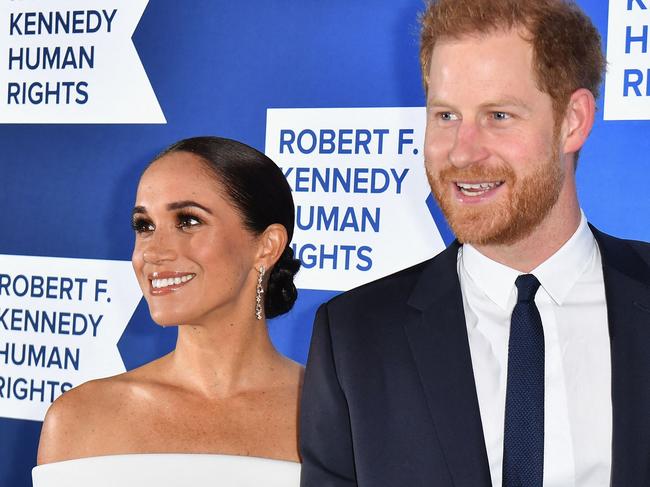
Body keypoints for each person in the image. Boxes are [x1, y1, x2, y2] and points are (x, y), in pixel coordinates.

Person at [300, 1, 650, 486]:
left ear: (573, 120)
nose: (462, 152)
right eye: (445, 115)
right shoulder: (354, 338)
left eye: (499, 115)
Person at [35, 137, 303, 486]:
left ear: (267, 247)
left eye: (188, 221)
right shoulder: (80, 417)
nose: (153, 252)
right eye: (144, 226)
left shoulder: (340, 415)